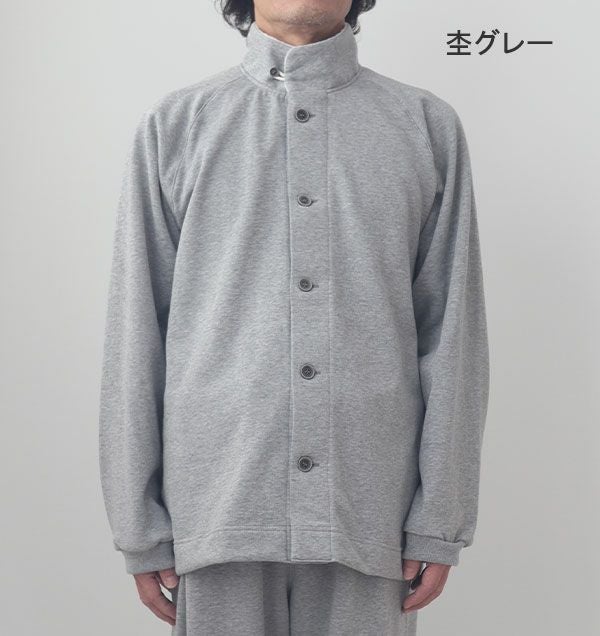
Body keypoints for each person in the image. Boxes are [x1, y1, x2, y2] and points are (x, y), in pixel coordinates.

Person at [98, 1, 490, 634]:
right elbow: (135, 333)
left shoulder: (425, 126)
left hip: (370, 510)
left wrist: (440, 518)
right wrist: (138, 525)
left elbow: (454, 336)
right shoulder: (176, 125)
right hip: (217, 502)